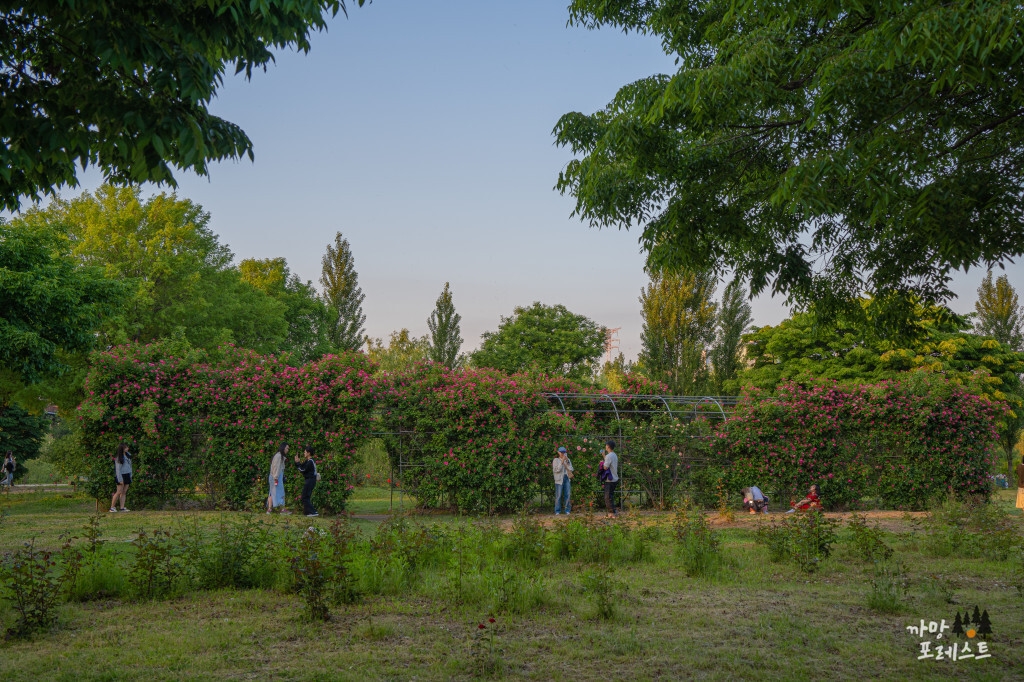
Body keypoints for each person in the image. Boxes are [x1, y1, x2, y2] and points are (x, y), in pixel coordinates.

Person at [295, 445, 319, 517]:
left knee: (304, 497)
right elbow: (302, 466)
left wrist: (297, 464)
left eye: (305, 452)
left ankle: (313, 512)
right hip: (310, 480)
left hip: (310, 480)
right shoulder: (308, 461)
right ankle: (307, 512)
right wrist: (297, 462)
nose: (304, 453)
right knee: (306, 496)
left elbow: (303, 470)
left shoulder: (310, 462)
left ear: (308, 453)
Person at [109, 442, 132, 512]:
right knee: (119, 491)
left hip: (127, 474)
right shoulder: (119, 458)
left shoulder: (128, 455)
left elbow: (129, 466)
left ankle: (122, 507)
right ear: (122, 449)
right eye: (125, 447)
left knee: (124, 492)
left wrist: (130, 475)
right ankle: (112, 507)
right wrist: (120, 479)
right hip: (121, 475)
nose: (127, 448)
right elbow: (118, 469)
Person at [267, 442, 289, 514]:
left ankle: (269, 509)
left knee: (272, 492)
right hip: (276, 477)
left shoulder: (279, 456)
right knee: (280, 492)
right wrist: (276, 478)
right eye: (287, 448)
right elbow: (276, 467)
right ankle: (282, 510)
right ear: (283, 448)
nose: (287, 450)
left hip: (275, 476)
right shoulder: (279, 456)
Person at [553, 446, 574, 515]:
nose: (563, 453)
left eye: (564, 452)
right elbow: (557, 470)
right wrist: (562, 461)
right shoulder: (556, 460)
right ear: (558, 452)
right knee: (558, 496)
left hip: (567, 478)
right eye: (561, 452)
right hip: (559, 479)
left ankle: (567, 510)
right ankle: (557, 511)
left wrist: (567, 462)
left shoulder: (568, 460)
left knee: (567, 495)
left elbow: (571, 469)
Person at [603, 440, 619, 518]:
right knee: (610, 496)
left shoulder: (609, 456)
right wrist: (604, 456)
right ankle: (614, 511)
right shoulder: (614, 455)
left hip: (610, 479)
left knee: (607, 497)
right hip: (615, 478)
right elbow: (608, 461)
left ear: (608, 446)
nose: (605, 446)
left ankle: (612, 513)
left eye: (606, 445)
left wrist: (602, 464)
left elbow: (605, 467)